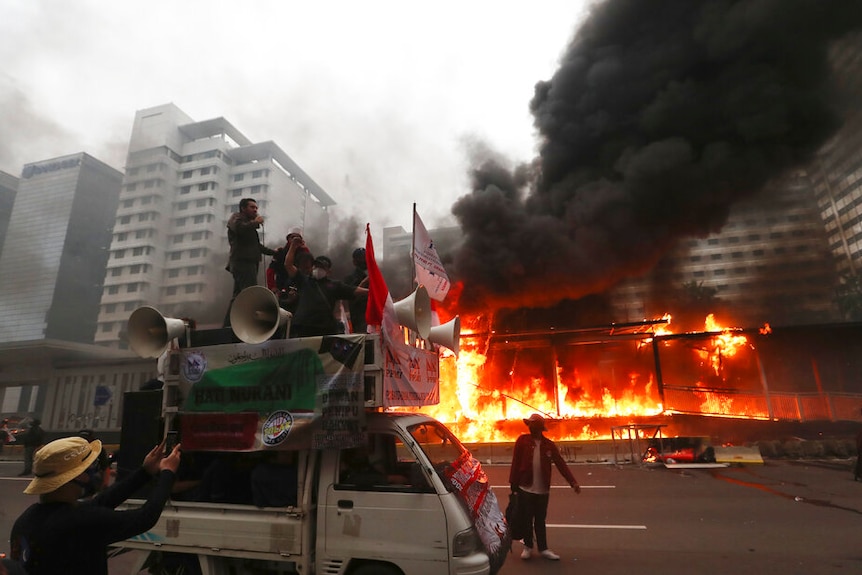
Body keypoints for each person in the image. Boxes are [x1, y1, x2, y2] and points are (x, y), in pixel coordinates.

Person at [10, 435, 181, 575]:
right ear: (71, 478)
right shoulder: (82, 521)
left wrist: (144, 473)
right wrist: (167, 474)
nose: (95, 472)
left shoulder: (26, 520)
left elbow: (100, 503)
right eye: (88, 468)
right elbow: (146, 517)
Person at [508, 413, 580, 561]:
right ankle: (528, 547)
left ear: (540, 428)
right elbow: (516, 462)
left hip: (542, 491)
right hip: (526, 488)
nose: (530, 427)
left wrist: (573, 482)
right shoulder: (522, 441)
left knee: (540, 520)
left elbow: (561, 464)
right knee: (526, 519)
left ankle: (543, 548)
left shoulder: (549, 445)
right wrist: (513, 483)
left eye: (533, 425)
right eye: (530, 425)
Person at [284, 237, 368, 337]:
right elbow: (288, 265)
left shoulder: (335, 285)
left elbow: (355, 290)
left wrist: (375, 292)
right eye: (316, 266)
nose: (318, 269)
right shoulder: (304, 280)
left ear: (328, 271)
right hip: (302, 328)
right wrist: (293, 246)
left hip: (324, 330)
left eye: (322, 267)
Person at [223, 197, 277, 327]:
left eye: (256, 208)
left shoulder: (249, 226)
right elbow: (239, 228)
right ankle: (246, 324)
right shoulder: (236, 218)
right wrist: (255, 222)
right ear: (243, 208)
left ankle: (228, 325)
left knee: (238, 295)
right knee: (250, 293)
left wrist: (274, 252)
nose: (255, 210)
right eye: (252, 207)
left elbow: (257, 246)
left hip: (249, 263)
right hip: (242, 262)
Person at [342, 247, 369, 334]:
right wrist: (364, 282)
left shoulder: (372, 276)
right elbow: (352, 299)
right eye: (361, 258)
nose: (364, 260)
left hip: (373, 319)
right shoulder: (350, 279)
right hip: (360, 320)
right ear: (355, 262)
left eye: (365, 257)